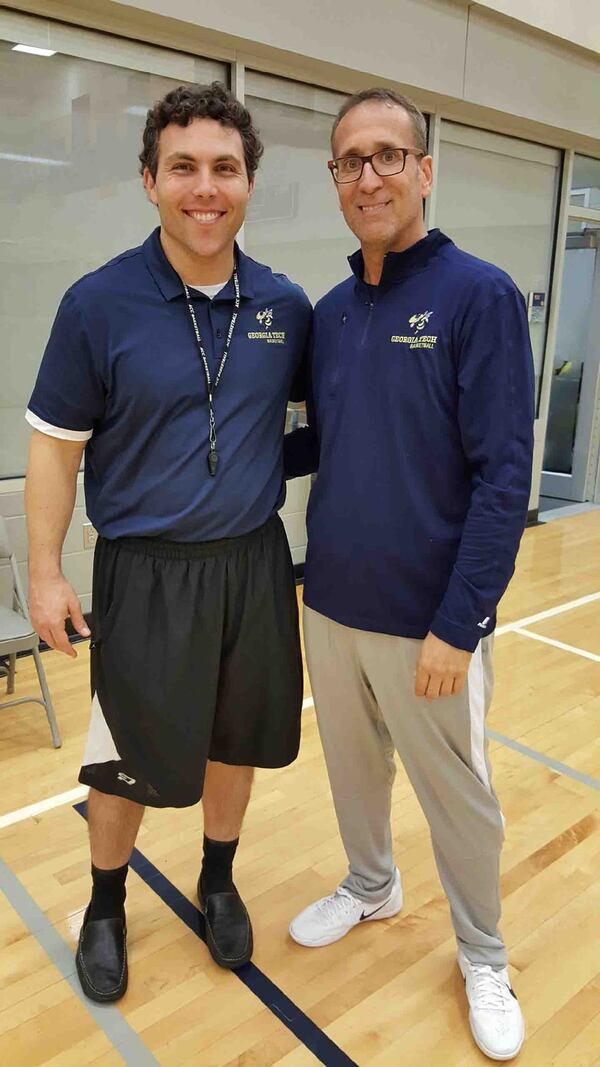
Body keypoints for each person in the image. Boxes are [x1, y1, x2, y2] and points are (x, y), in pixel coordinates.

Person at [25, 82, 310, 1002]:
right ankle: (105, 902)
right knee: (126, 751)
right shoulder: (97, 303)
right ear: (150, 180)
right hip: (145, 572)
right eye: (183, 166)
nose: (204, 187)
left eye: (224, 168)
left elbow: (321, 422)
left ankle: (218, 877)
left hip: (254, 561)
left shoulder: (284, 305)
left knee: (239, 740)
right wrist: (44, 573)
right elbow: (55, 452)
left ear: (248, 184)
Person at [285, 87, 534, 1062]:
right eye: (352, 160)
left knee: (459, 796)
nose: (371, 174)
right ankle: (370, 880)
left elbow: (504, 474)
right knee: (353, 771)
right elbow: (326, 444)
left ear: (425, 172)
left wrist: (461, 622)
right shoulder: (335, 311)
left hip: (431, 619)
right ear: (338, 183)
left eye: (390, 155)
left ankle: (483, 951)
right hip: (333, 601)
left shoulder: (480, 295)